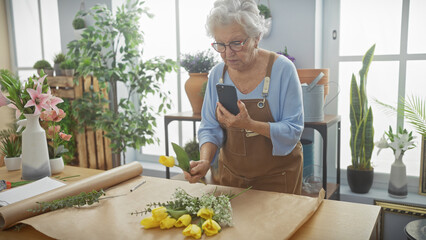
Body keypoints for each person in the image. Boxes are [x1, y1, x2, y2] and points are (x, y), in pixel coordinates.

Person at [183, 0, 304, 194]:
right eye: (220, 44)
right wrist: (205, 161)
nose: (228, 53)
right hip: (231, 178)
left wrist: (249, 124)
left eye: (236, 43)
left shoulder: (282, 70)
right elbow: (210, 127)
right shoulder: (217, 74)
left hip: (279, 179)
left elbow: (293, 130)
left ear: (256, 37)